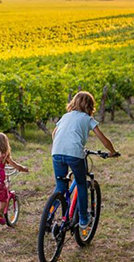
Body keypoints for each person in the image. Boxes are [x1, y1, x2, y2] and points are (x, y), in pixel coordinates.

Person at [51, 91, 119, 239]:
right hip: (75, 154)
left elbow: (54, 134)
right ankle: (83, 219)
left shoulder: (65, 116)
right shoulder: (88, 119)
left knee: (60, 187)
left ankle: (49, 215)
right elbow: (103, 139)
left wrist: (60, 146)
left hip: (56, 152)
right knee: (81, 183)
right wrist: (112, 151)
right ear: (90, 105)